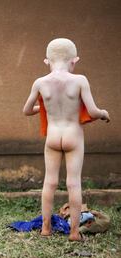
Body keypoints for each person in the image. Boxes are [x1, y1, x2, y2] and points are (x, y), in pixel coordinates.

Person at [23, 38, 110, 241]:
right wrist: (104, 113)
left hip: (53, 137)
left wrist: (41, 107)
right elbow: (92, 111)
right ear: (74, 60)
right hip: (73, 137)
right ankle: (73, 232)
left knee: (49, 183)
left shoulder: (40, 83)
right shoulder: (80, 80)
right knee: (73, 184)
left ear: (47, 61)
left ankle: (46, 228)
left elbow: (26, 110)